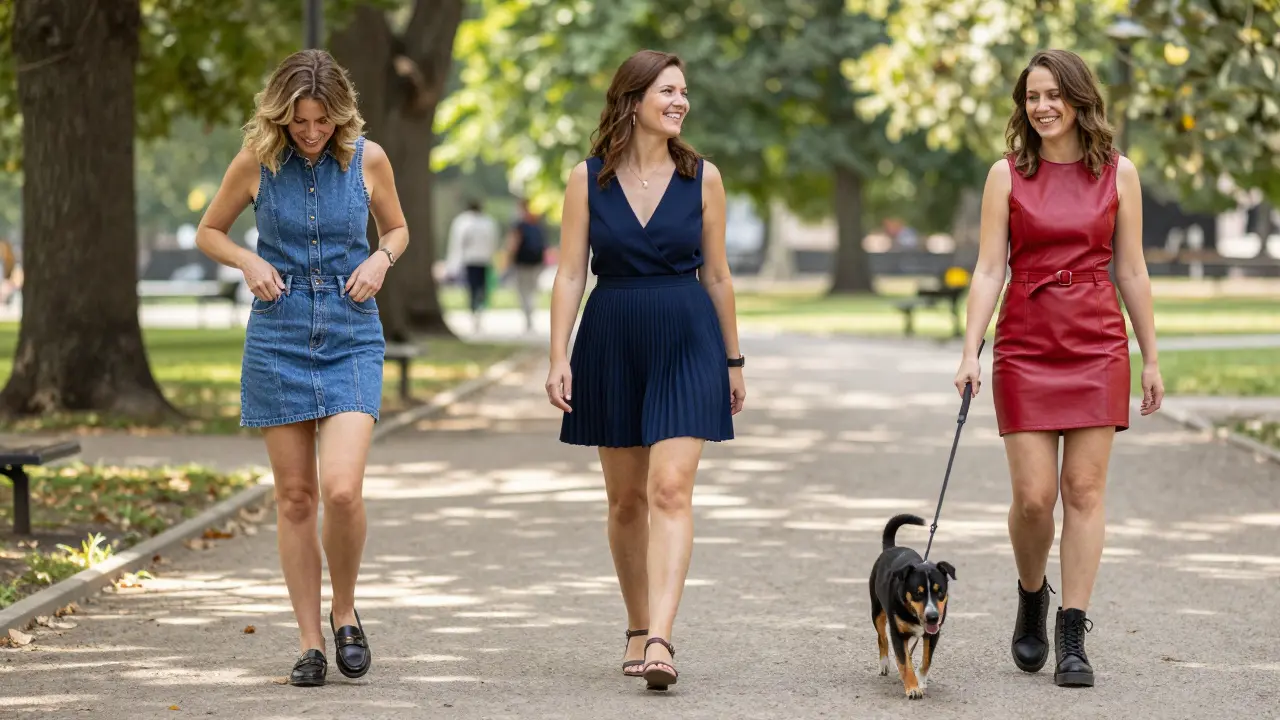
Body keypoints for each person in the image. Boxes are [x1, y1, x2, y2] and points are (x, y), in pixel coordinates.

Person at [195, 49, 409, 687]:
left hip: (350, 335)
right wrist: (247, 262)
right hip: (279, 338)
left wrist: (380, 260)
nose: (311, 133)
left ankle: (346, 610)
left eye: (321, 121)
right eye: (299, 122)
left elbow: (396, 229)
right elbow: (209, 230)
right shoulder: (256, 162)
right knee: (294, 499)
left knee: (341, 490)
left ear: (340, 115)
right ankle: (312, 642)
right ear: (280, 116)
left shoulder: (368, 158)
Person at [953, 49, 1163, 689]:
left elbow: (1131, 268)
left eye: (1053, 95)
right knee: (1034, 497)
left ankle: (1072, 632)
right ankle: (1031, 592)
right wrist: (971, 350)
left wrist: (1150, 356)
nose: (1042, 107)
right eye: (1032, 96)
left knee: (1084, 491)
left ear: (1079, 99)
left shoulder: (1118, 173)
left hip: (1098, 342)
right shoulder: (1006, 175)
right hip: (1026, 343)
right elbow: (990, 267)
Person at [544, 49, 746, 691]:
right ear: (633, 100)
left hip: (688, 336)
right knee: (626, 499)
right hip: (612, 337)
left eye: (684, 91)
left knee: (670, 489)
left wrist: (734, 359)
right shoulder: (588, 177)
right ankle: (636, 623)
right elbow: (571, 270)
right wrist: (558, 354)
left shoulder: (704, 177)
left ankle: (661, 636)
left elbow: (717, 273)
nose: (681, 101)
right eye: (668, 91)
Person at [445, 199, 500, 333]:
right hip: (483, 259)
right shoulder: (488, 222)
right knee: (480, 287)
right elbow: (493, 241)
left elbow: (457, 243)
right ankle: (478, 312)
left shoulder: (463, 222)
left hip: (470, 260)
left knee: (473, 287)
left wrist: (453, 262)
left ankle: (475, 311)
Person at [504, 198, 547, 333]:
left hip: (522, 262)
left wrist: (508, 260)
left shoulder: (519, 225)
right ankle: (530, 315)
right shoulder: (537, 224)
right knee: (531, 290)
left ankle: (528, 318)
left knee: (523, 291)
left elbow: (513, 244)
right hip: (536, 262)